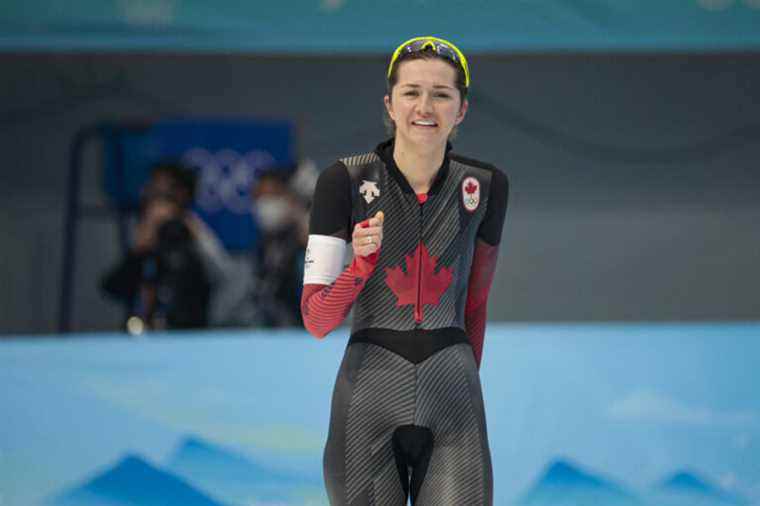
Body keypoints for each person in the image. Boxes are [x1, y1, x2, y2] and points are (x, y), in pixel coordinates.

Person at [301, 36, 509, 505]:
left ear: (462, 109)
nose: (425, 106)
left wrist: (457, 384)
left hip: (454, 397)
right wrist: (358, 268)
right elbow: (316, 321)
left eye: (441, 94)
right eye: (411, 92)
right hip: (366, 401)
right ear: (390, 105)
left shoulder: (487, 186)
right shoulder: (344, 182)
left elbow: (474, 304)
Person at [101, 162, 214, 330]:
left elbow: (219, 280)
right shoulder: (145, 233)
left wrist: (194, 238)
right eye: (153, 191)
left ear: (181, 195)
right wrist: (139, 250)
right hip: (142, 333)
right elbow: (112, 287)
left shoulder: (192, 230)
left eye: (165, 194)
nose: (157, 201)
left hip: (185, 334)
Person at [249, 167, 309, 327]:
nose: (265, 205)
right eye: (261, 197)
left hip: (302, 322)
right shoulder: (263, 244)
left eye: (272, 197)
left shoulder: (303, 232)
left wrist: (298, 217)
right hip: (268, 320)